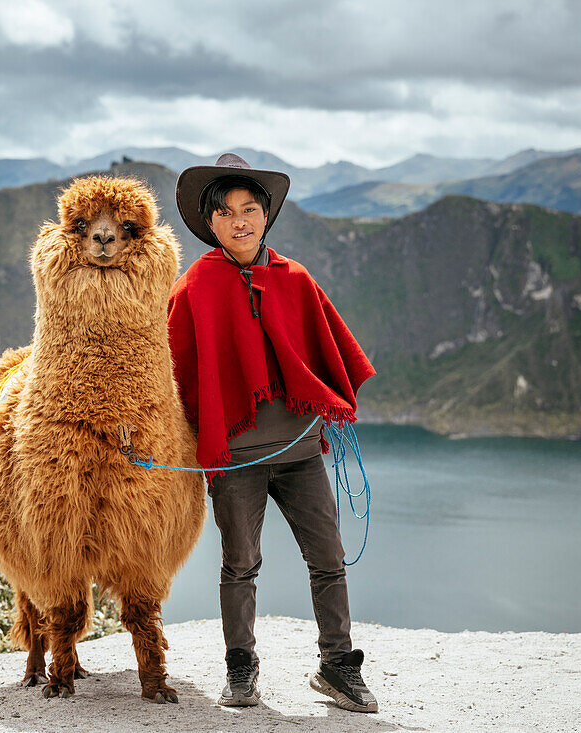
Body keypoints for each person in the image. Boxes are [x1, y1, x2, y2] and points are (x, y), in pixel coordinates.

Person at [168, 153, 379, 712]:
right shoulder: (195, 288)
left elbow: (328, 354)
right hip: (237, 456)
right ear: (210, 223)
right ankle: (241, 669)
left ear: (266, 216)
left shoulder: (295, 280)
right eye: (228, 212)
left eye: (251, 209)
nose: (241, 221)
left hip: (300, 450)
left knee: (328, 557)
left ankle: (337, 666)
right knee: (240, 563)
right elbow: (176, 376)